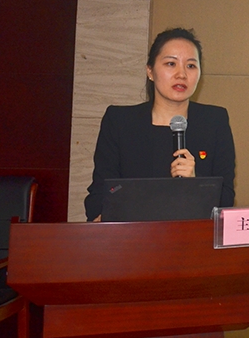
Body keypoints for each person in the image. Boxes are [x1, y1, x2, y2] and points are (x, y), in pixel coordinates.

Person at [85, 27, 236, 221]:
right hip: (133, 235)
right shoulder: (120, 121)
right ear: (150, 71)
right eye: (171, 64)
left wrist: (195, 182)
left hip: (192, 235)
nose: (181, 74)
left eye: (191, 66)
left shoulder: (214, 121)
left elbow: (226, 200)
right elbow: (99, 194)